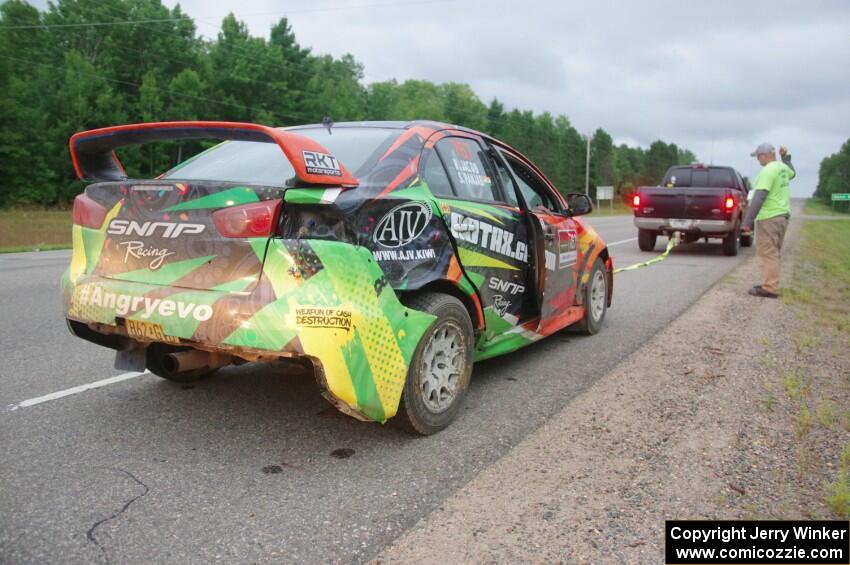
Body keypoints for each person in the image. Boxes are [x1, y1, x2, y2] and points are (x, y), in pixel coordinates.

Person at [741, 143, 795, 298]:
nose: (758, 160)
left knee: (767, 253)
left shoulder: (767, 170)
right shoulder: (782, 168)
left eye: (758, 157)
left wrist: (747, 222)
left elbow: (760, 197)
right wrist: (786, 158)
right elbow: (793, 173)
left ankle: (770, 288)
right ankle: (770, 283)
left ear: (764, 155)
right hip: (782, 216)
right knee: (774, 252)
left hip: (769, 218)